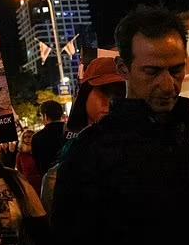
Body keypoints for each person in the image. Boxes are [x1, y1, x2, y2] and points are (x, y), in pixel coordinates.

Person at [51, 6, 189, 245]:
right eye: (151, 72)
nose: (167, 84)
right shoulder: (88, 152)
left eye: (176, 70)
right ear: (123, 68)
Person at [39, 57, 126, 214]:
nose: (112, 102)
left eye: (120, 95)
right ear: (86, 95)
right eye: (105, 92)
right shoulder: (58, 175)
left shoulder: (143, 153)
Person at [31, 100, 65, 174]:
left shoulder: (37, 138)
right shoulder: (72, 132)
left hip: (51, 180)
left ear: (45, 116)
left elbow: (38, 165)